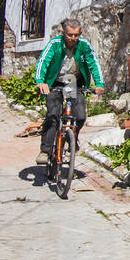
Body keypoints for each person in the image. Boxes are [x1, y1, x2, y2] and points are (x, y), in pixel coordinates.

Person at [33, 19, 104, 168]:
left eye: (76, 35)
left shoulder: (83, 45)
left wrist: (99, 84)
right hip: (55, 82)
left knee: (80, 116)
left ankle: (72, 139)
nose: (73, 38)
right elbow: (43, 61)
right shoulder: (55, 44)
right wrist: (40, 81)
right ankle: (45, 151)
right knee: (53, 114)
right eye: (70, 35)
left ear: (80, 34)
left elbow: (93, 62)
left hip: (74, 83)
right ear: (63, 33)